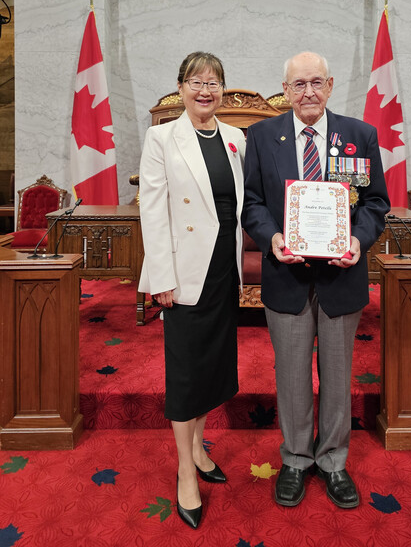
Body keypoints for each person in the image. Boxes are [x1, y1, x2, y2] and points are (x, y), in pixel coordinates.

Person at [242, 51, 390, 509]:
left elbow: (375, 204)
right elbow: (251, 204)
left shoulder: (359, 136)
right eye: (298, 84)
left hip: (341, 278)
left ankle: (333, 461)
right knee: (290, 374)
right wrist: (272, 238)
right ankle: (295, 458)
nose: (308, 92)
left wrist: (359, 242)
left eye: (316, 83)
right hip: (286, 275)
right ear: (285, 91)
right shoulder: (262, 136)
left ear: (330, 84)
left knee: (338, 372)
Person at [138, 51, 246, 530]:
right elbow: (153, 209)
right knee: (185, 372)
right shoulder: (162, 137)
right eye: (197, 81)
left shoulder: (236, 138)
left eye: (215, 82)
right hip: (183, 273)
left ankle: (201, 450)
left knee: (211, 366)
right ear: (181, 87)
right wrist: (160, 276)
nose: (206, 90)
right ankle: (185, 470)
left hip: (224, 269)